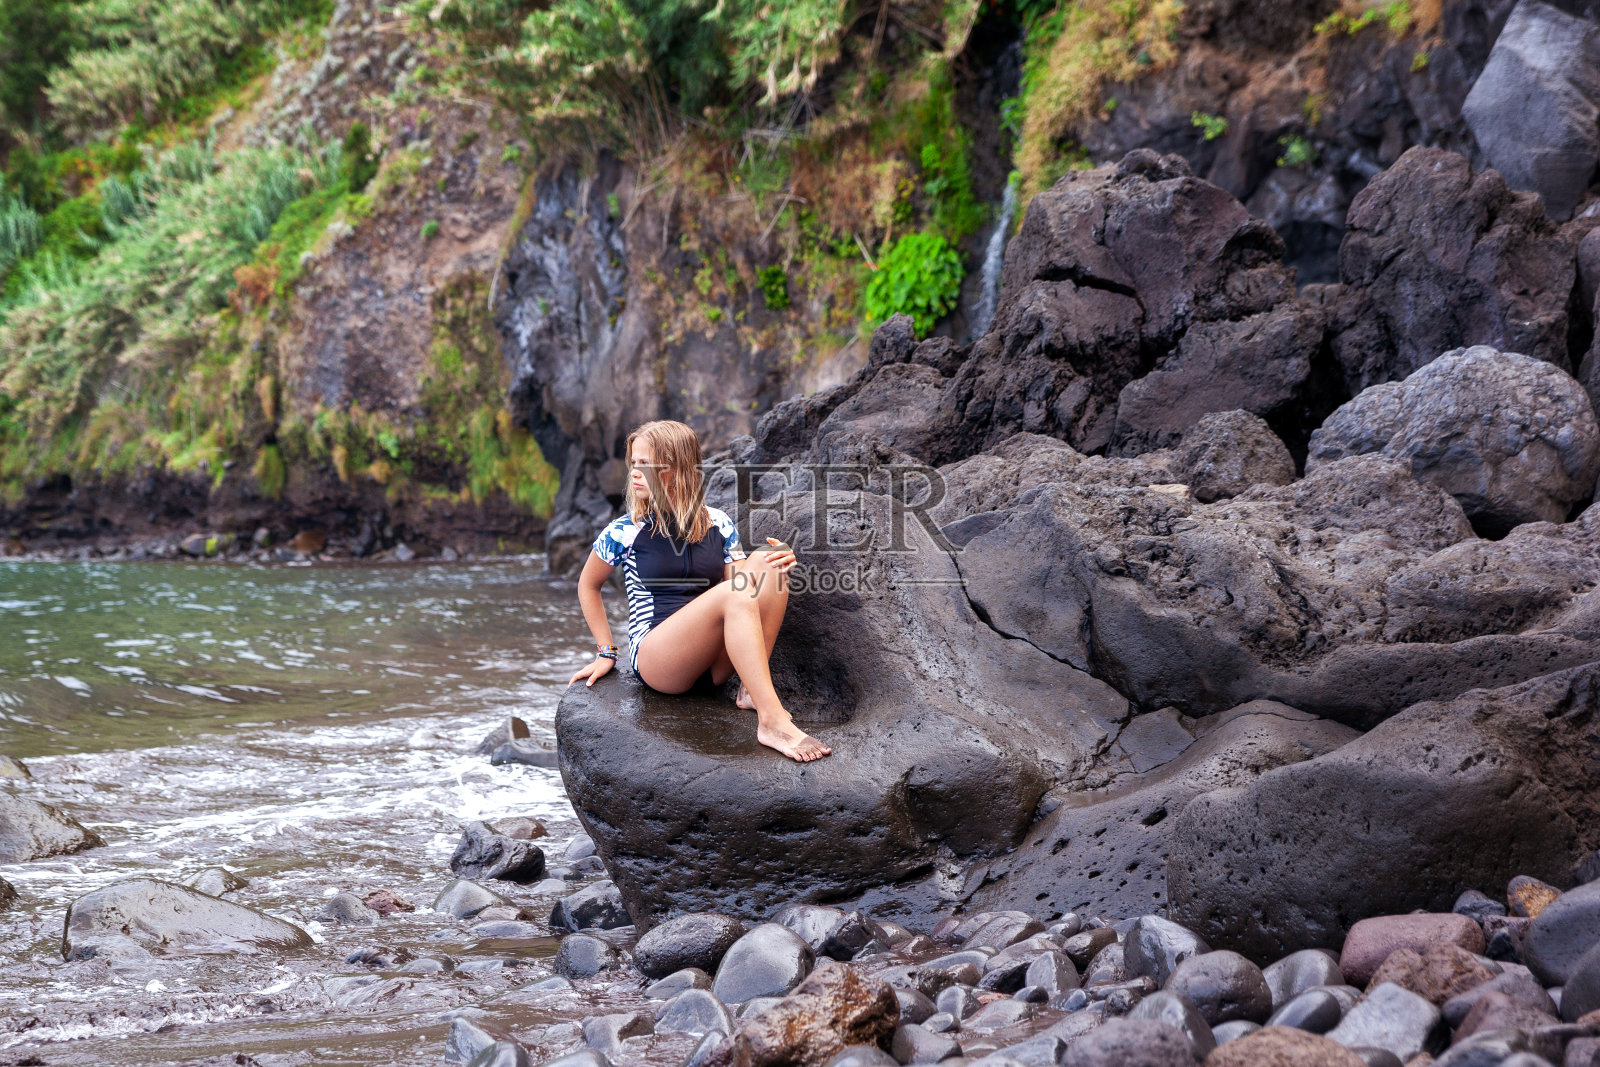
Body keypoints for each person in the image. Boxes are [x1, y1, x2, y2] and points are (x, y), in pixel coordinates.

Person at [567, 419, 833, 763]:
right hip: (658, 660)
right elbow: (588, 585)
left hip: (713, 664)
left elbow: (746, 592)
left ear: (676, 468)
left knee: (769, 559)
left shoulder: (719, 523)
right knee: (736, 590)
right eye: (633, 462)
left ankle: (752, 690)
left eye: (646, 464)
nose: (634, 472)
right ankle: (772, 721)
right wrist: (606, 652)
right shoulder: (623, 531)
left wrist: (778, 561)